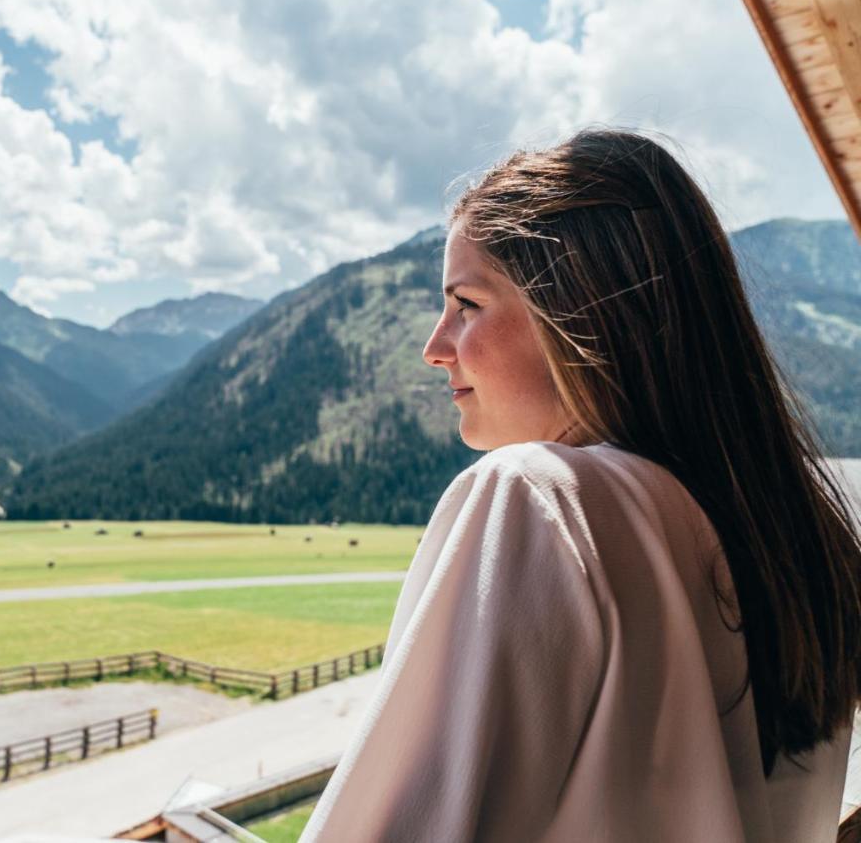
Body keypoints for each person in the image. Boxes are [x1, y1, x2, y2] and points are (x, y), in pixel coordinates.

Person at [300, 127, 861, 842]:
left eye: (466, 304)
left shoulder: (539, 499)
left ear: (580, 312)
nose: (435, 346)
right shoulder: (804, 538)